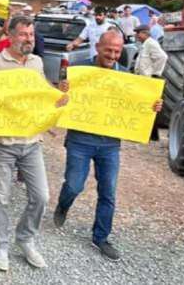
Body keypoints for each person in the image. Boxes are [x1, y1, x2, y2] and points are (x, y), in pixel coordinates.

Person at [54, 30, 163, 261]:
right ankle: (63, 205)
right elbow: (57, 102)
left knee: (108, 193)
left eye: (117, 51)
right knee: (74, 186)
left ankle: (101, 237)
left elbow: (137, 107)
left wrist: (152, 107)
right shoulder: (78, 71)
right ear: (97, 47)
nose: (113, 55)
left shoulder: (127, 77)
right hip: (80, 140)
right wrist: (61, 92)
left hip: (109, 145)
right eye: (108, 50)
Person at [0, 15, 69, 272]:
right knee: (0, 198)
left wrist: (57, 98)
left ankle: (26, 239)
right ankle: (1, 245)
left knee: (41, 196)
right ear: (10, 35)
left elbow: (40, 95)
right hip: (2, 143)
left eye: (31, 35)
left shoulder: (37, 62)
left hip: (31, 142)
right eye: (24, 34)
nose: (29, 39)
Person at [134, 24, 168, 141]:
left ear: (144, 33)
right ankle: (148, 134)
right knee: (145, 105)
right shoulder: (145, 45)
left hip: (149, 79)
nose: (136, 35)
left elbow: (162, 57)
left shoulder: (151, 43)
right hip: (143, 79)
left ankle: (150, 134)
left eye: (138, 33)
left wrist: (154, 73)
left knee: (150, 107)